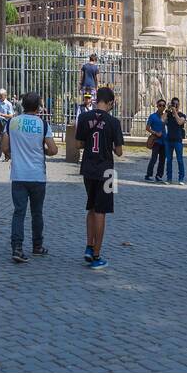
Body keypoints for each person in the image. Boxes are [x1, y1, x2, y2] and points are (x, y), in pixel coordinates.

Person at [2, 92, 57, 263]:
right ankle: (37, 246)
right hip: (37, 175)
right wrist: (44, 151)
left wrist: (13, 154)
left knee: (19, 212)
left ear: (22, 105)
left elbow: (4, 147)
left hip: (19, 174)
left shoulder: (12, 122)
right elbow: (53, 150)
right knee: (37, 213)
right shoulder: (42, 124)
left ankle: (17, 247)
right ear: (38, 107)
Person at [75, 86, 124, 270]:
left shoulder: (84, 117)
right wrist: (109, 144)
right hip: (107, 171)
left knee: (91, 206)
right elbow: (119, 152)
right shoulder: (113, 122)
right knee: (101, 211)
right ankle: (96, 254)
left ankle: (89, 246)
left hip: (88, 168)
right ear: (110, 102)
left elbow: (79, 143)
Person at [164, 96, 187, 185]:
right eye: (174, 104)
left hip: (178, 140)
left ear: (179, 105)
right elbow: (162, 120)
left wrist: (175, 112)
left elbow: (179, 122)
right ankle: (169, 178)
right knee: (169, 160)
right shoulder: (168, 115)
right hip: (168, 140)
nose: (175, 106)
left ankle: (181, 178)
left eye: (177, 104)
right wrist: (167, 110)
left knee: (180, 160)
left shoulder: (182, 115)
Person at [144, 98, 167, 182]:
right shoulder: (152, 116)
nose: (162, 107)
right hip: (156, 140)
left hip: (164, 140)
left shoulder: (165, 116)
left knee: (162, 159)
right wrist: (155, 133)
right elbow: (147, 128)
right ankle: (148, 175)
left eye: (163, 105)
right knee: (153, 158)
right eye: (160, 105)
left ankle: (159, 175)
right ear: (157, 106)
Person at [0, 89, 15, 164]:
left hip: (5, 122)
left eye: (1, 96)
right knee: (1, 140)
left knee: (1, 141)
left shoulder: (8, 104)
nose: (0, 97)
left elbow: (11, 115)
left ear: (5, 95)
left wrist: (1, 114)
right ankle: (8, 155)